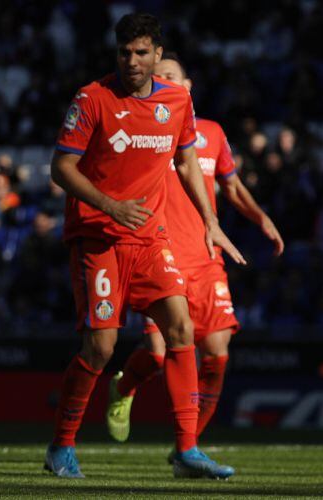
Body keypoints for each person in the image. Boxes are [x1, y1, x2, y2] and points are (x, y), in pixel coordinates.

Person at [45, 13, 243, 480]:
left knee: (181, 329)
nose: (131, 61)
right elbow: (61, 168)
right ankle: (61, 445)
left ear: (158, 54)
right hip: (99, 237)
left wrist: (210, 221)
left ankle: (187, 450)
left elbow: (188, 160)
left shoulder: (177, 101)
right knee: (100, 347)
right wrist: (110, 207)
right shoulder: (92, 98)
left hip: (150, 238)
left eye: (140, 53)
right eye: (123, 53)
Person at [105, 54, 285, 450]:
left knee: (218, 353)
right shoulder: (143, 130)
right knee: (156, 353)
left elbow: (232, 187)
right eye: (158, 77)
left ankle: (189, 447)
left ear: (187, 87)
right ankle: (125, 388)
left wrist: (261, 219)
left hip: (205, 259)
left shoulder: (212, 133)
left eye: (171, 76)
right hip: (159, 254)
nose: (163, 81)